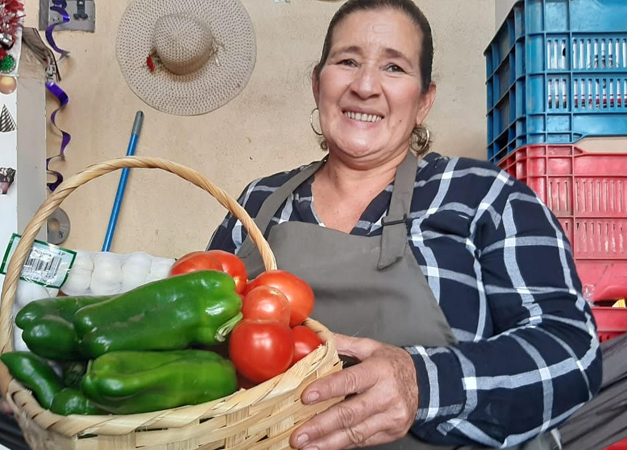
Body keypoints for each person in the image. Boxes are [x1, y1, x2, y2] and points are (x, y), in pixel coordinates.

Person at [207, 1, 602, 449]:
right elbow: (194, 343)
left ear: (424, 100)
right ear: (319, 84)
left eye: (394, 67)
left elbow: (573, 353)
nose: (365, 85)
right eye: (347, 61)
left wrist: (424, 383)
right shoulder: (257, 202)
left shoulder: (485, 197)